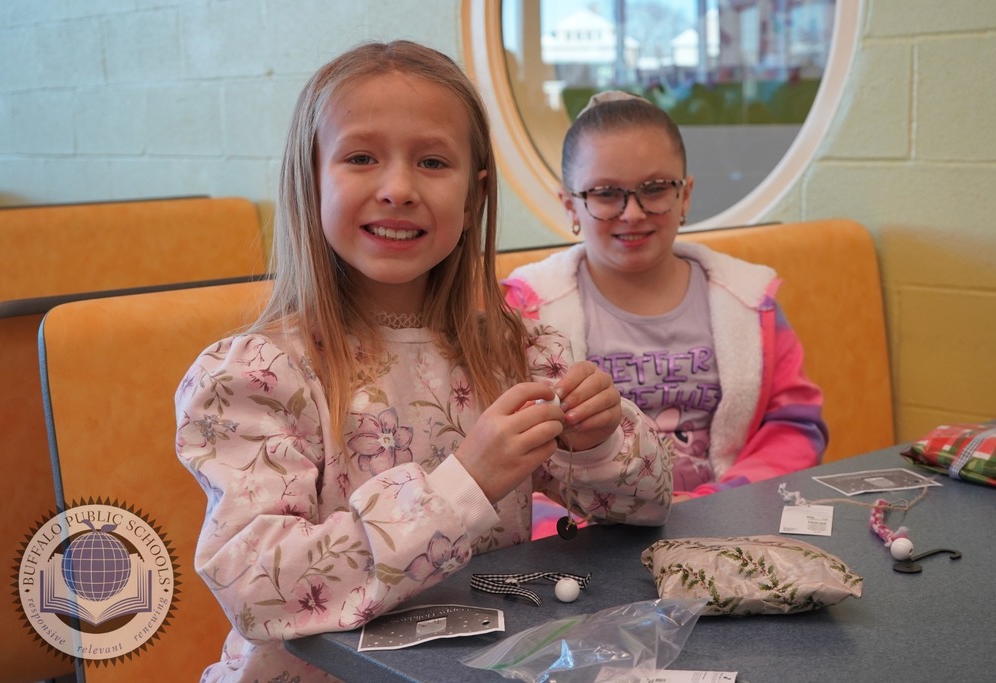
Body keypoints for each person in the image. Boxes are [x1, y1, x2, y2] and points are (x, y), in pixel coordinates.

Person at [174, 44, 672, 682]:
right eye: (360, 158)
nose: (399, 189)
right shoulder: (255, 377)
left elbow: (649, 505)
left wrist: (600, 443)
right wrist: (464, 483)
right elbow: (255, 586)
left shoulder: (521, 354)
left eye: (433, 162)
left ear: (473, 194)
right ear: (310, 178)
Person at [504, 91, 827, 532]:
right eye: (605, 194)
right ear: (570, 205)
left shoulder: (749, 300)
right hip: (586, 539)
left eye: (654, 189)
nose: (633, 213)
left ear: (685, 195)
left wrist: (723, 506)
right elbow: (512, 464)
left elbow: (794, 427)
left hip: (727, 526)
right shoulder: (525, 312)